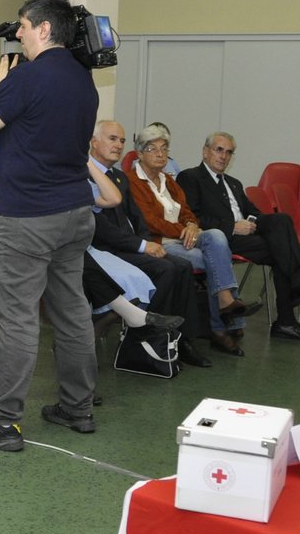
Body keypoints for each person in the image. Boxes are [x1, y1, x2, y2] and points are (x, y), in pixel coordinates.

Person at [0, 0, 99, 453]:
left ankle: (1, 420)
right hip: (75, 212)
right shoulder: (82, 78)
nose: (17, 33)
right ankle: (78, 406)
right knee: (72, 312)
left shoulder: (27, 78)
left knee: (18, 319)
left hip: (28, 217)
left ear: (44, 30)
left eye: (22, 26)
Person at [88, 120, 221, 365]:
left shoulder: (117, 177)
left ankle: (181, 340)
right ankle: (144, 338)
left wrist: (146, 242)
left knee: (181, 266)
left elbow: (137, 219)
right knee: (167, 269)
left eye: (121, 140)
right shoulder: (82, 176)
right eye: (112, 139)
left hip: (131, 246)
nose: (118, 145)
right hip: (103, 250)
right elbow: (98, 228)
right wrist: (142, 246)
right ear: (93, 142)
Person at [178, 131, 300, 342]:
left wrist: (254, 225)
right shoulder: (190, 177)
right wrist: (233, 227)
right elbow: (193, 218)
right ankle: (290, 310)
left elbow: (255, 213)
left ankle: (294, 295)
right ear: (205, 152)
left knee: (282, 221)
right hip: (221, 239)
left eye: (229, 152)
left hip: (248, 234)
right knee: (282, 250)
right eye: (218, 150)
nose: (223, 156)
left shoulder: (234, 183)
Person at [126, 123, 261, 356]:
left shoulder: (169, 181)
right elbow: (150, 221)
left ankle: (225, 312)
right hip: (160, 242)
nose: (160, 154)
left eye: (164, 148)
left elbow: (187, 211)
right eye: (152, 148)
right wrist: (183, 229)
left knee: (217, 237)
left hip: (184, 237)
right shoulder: (132, 181)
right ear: (139, 153)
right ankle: (222, 324)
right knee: (218, 257)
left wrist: (190, 224)